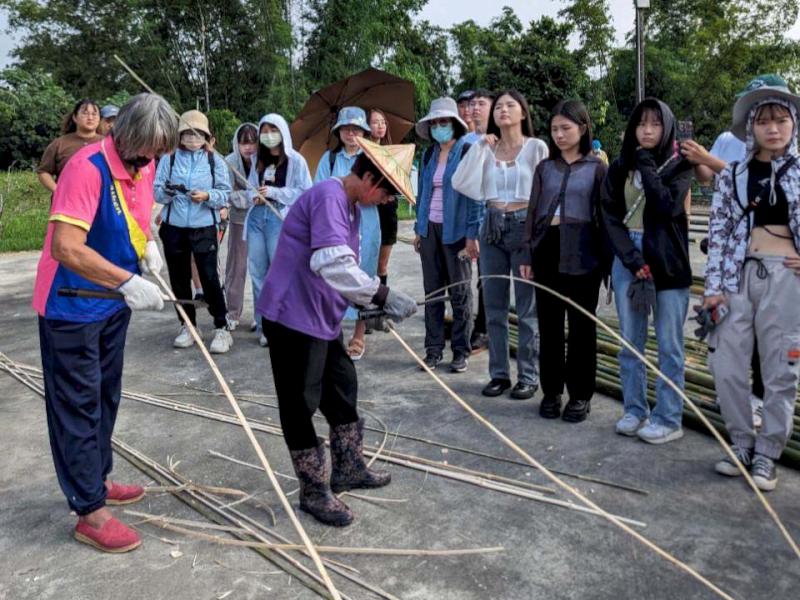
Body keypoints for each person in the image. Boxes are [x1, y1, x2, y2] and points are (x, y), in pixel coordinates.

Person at [32, 93, 176, 553]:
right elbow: (66, 247)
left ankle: (97, 476)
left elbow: (137, 218)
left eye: (157, 153)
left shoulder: (142, 165)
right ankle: (89, 510)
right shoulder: (86, 167)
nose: (149, 161)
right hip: (71, 306)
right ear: (125, 135)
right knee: (77, 405)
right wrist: (127, 281)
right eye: (146, 150)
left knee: (105, 395)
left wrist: (148, 246)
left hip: (112, 304)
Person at [260, 138, 418, 526]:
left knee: (342, 386)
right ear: (369, 179)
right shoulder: (329, 197)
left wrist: (369, 306)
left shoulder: (350, 206)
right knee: (300, 403)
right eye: (387, 194)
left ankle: (348, 468)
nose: (386, 202)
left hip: (320, 318)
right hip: (292, 317)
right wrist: (382, 293)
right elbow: (332, 264)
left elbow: (344, 272)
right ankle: (313, 491)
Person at [704, 74, 800, 491]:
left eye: (781, 120)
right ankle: (741, 443)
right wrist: (713, 288)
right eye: (764, 121)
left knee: (781, 370)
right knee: (725, 364)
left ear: (793, 123)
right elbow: (719, 231)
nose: (773, 129)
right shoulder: (733, 174)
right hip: (737, 275)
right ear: (751, 127)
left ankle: (768, 453)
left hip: (787, 278)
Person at [601, 98, 694, 444]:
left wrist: (646, 165)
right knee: (631, 341)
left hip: (668, 260)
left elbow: (667, 206)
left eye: (655, 124)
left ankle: (668, 418)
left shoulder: (680, 165)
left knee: (669, 345)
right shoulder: (619, 166)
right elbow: (608, 214)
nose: (647, 130)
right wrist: (631, 258)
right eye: (641, 124)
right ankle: (635, 409)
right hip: (629, 257)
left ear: (666, 127)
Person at [453, 89, 548, 399]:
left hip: (524, 226)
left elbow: (546, 195)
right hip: (491, 226)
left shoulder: (536, 147)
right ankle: (499, 374)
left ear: (523, 112)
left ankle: (528, 376)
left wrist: (536, 240)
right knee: (493, 307)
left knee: (527, 308)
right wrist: (481, 145)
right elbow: (461, 182)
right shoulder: (486, 148)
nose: (503, 110)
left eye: (510, 105)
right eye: (499, 107)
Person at [520, 100, 608, 422]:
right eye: (555, 129)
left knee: (582, 326)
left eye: (566, 128)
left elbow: (604, 217)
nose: (559, 134)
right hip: (547, 247)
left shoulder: (597, 168)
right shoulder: (545, 169)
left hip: (584, 250)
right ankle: (552, 391)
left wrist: (607, 261)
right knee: (550, 323)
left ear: (583, 129)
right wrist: (527, 252)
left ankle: (580, 395)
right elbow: (532, 212)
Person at [154, 109, 233, 353]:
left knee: (209, 277)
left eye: (197, 133)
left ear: (206, 136)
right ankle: (187, 325)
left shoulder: (214, 161)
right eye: (187, 133)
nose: (191, 138)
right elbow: (156, 191)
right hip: (174, 227)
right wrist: (169, 192)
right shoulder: (169, 159)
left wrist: (207, 196)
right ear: (179, 136)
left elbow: (225, 193)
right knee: (178, 279)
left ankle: (221, 326)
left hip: (204, 227)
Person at [414, 97, 478, 372]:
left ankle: (461, 350)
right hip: (430, 229)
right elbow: (423, 193)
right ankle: (433, 350)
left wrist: (472, 235)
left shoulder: (467, 151)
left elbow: (475, 196)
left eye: (444, 122)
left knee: (460, 292)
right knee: (433, 292)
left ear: (455, 124)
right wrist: (419, 229)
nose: (439, 127)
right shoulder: (428, 154)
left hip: (457, 231)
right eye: (434, 123)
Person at [315, 107, 380, 361]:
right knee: (333, 274)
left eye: (356, 129)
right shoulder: (329, 159)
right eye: (346, 129)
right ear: (338, 132)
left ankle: (359, 334)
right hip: (336, 223)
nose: (351, 134)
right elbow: (320, 189)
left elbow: (382, 190)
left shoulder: (373, 157)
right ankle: (331, 331)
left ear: (364, 132)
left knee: (364, 275)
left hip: (368, 223)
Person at [245, 114, 313, 346]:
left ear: (282, 131)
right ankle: (264, 324)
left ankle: (283, 322)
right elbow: (250, 186)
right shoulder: (257, 159)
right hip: (256, 218)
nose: (268, 135)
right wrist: (253, 196)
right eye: (264, 131)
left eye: (273, 130)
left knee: (279, 273)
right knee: (257, 273)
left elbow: (304, 191)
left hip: (279, 218)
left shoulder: (296, 160)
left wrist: (274, 193)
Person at [463, 88, 496, 351]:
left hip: (497, 217)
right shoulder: (466, 143)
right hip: (472, 217)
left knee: (490, 278)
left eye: (481, 103)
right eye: (472, 104)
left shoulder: (501, 140)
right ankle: (474, 326)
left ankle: (486, 327)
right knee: (471, 277)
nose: (474, 108)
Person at [223, 122, 258, 331]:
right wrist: (251, 197)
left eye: (252, 142)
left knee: (261, 267)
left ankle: (261, 316)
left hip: (261, 220)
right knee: (236, 267)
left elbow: (268, 191)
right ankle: (232, 312)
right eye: (244, 143)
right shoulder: (229, 162)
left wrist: (242, 194)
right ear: (237, 144)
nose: (248, 147)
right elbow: (228, 193)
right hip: (238, 220)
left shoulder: (266, 161)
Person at [37, 99, 104, 194]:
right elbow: (43, 172)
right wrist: (59, 191)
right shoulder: (59, 143)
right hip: (66, 200)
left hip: (99, 199)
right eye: (85, 113)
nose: (90, 118)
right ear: (75, 117)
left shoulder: (107, 144)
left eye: (94, 114)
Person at [368, 108, 398, 289]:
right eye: (375, 122)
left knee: (382, 265)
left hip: (387, 212)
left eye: (383, 122)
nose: (380, 126)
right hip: (367, 210)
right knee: (366, 262)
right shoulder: (361, 153)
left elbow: (399, 184)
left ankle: (380, 301)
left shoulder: (392, 153)